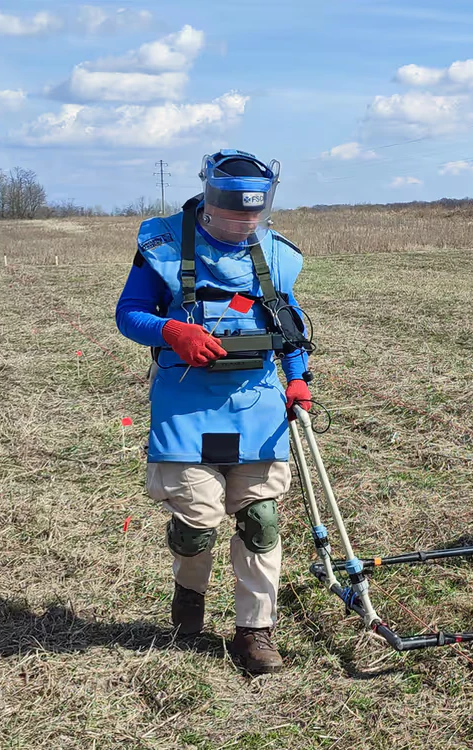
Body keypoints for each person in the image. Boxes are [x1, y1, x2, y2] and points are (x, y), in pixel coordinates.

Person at [115, 149, 314, 673]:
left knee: (261, 519)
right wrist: (171, 330)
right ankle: (189, 592)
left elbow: (289, 324)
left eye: (253, 215)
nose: (243, 225)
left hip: (256, 406)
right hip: (186, 405)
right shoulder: (161, 244)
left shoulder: (275, 254)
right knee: (197, 522)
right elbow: (128, 313)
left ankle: (255, 631)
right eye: (232, 215)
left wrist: (297, 379)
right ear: (209, 200)